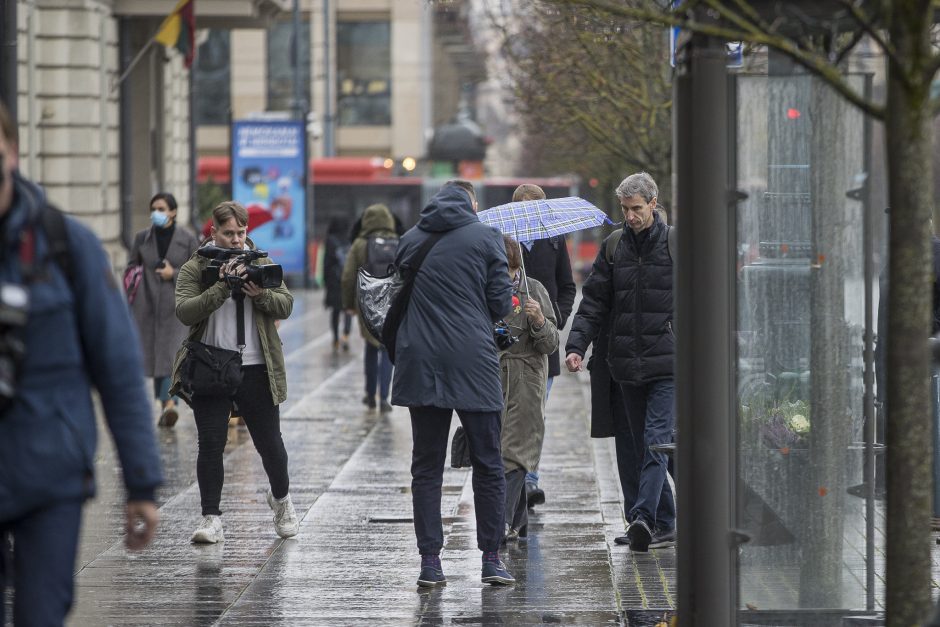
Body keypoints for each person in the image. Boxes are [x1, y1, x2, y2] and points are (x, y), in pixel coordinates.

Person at [0, 101, 162, 625]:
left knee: (41, 612)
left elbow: (117, 370)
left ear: (12, 151)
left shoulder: (68, 247)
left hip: (50, 473)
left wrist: (142, 484)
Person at [392, 180, 516, 587]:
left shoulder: (411, 239)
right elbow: (500, 304)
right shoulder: (487, 237)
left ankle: (430, 562)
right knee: (488, 461)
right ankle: (492, 558)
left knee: (426, 466)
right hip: (472, 361)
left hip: (420, 360)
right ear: (471, 204)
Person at [171, 200, 297, 544]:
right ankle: (211, 518)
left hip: (257, 365)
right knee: (211, 443)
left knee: (270, 443)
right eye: (229, 233)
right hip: (211, 364)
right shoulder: (196, 268)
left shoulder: (262, 262)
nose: (237, 240)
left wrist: (260, 295)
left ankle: (282, 500)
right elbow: (185, 311)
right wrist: (221, 287)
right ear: (214, 232)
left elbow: (285, 303)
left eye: (241, 232)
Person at [565, 172, 676, 552]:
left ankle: (644, 518)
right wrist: (576, 345)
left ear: (654, 204)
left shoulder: (675, 244)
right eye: (626, 209)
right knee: (630, 445)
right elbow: (594, 301)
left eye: (637, 209)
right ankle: (658, 521)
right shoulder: (615, 247)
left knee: (656, 442)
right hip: (626, 364)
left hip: (667, 363)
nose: (630, 216)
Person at [509, 184, 576, 508]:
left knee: (536, 414)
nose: (529, 213)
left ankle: (530, 479)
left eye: (535, 207)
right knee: (512, 416)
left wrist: (555, 318)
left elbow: (567, 285)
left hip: (542, 345)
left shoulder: (553, 240)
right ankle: (514, 477)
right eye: (524, 207)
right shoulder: (505, 243)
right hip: (510, 345)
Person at [497, 235, 558, 543]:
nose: (507, 276)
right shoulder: (486, 289)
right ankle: (519, 522)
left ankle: (503, 522)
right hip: (495, 379)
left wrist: (537, 320)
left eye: (510, 269)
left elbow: (550, 343)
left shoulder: (534, 290)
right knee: (503, 450)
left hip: (527, 379)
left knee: (516, 452)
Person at [128, 192, 200, 427]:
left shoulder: (187, 239)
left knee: (170, 356)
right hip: (147, 304)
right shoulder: (142, 238)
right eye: (153, 209)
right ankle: (165, 405)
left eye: (161, 208)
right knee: (156, 356)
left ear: (173, 212)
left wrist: (174, 273)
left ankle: (169, 404)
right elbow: (131, 267)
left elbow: (198, 271)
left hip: (175, 305)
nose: (156, 213)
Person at [341, 203, 397, 413]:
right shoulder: (397, 241)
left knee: (371, 347)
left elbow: (348, 276)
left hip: (366, 302)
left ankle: (369, 394)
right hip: (391, 302)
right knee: (387, 348)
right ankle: (384, 397)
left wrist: (348, 304)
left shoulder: (360, 244)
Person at [323, 217, 352, 353]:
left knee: (335, 311)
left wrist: (325, 280)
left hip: (334, 281)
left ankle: (335, 338)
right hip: (347, 279)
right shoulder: (349, 239)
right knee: (347, 310)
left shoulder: (330, 240)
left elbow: (326, 262)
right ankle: (346, 335)